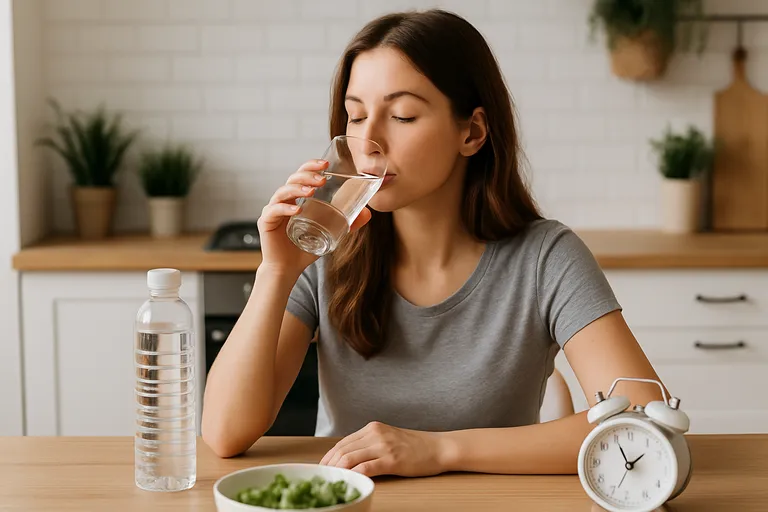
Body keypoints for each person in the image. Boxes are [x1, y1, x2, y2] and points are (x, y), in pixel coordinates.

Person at [201, 8, 667, 477]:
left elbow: (644, 421)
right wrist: (276, 272)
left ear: (472, 132)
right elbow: (223, 433)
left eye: (402, 115)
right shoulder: (326, 251)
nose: (369, 142)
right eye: (356, 116)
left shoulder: (547, 258)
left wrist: (439, 450)